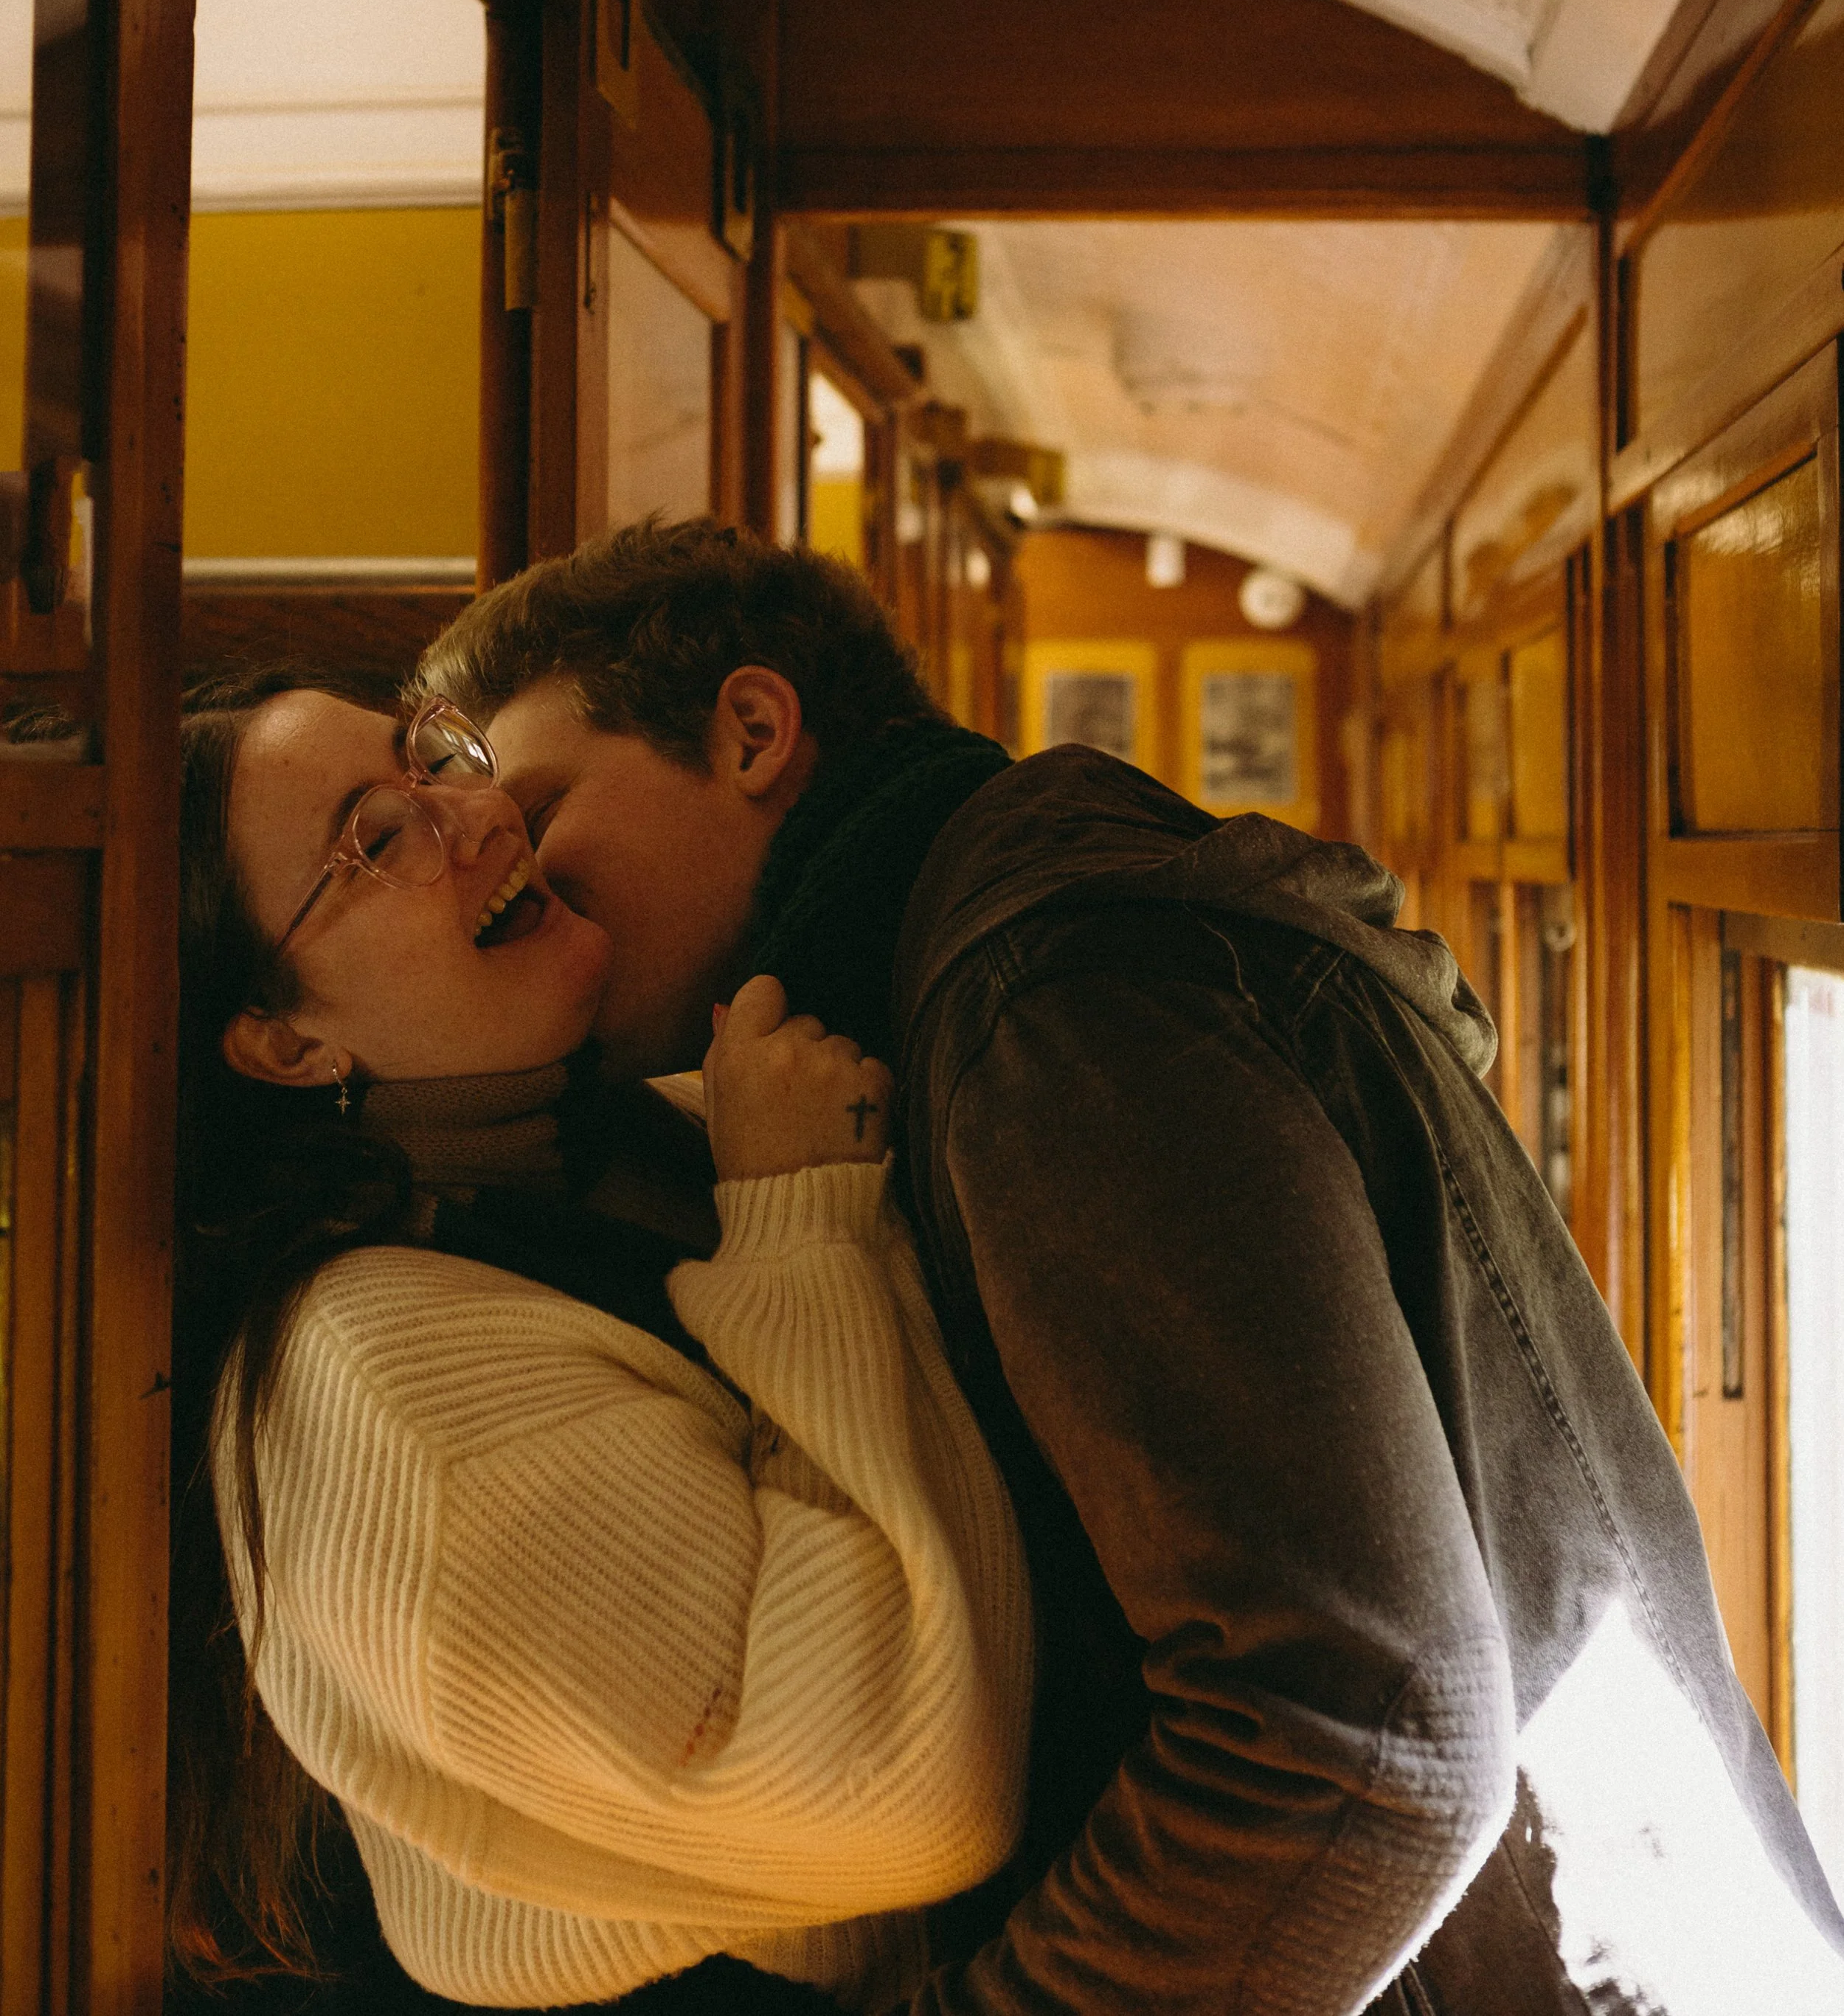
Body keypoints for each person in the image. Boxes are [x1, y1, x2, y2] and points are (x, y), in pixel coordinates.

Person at [420, 518, 1844, 2016]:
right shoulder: (1004, 938)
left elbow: (1351, 1732)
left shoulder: (1053, 997)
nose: (517, 869)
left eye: (543, 804)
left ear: (754, 731)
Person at [168, 673, 1032, 2011]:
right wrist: (805, 1217)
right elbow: (910, 1782)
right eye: (377, 839)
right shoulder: (375, 1388)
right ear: (286, 1042)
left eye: (430, 756)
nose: (479, 810)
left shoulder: (615, 1135)